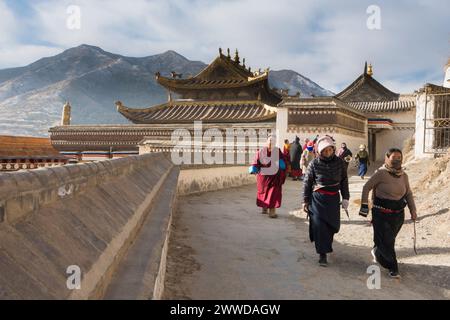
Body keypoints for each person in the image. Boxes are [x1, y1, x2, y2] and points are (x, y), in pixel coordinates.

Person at [359, 148, 417, 279]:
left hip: (398, 215)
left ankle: (377, 251)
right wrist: (364, 205)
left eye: (399, 157)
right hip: (381, 213)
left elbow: (408, 193)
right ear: (387, 157)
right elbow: (366, 187)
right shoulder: (381, 173)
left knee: (387, 240)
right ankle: (393, 267)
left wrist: (413, 210)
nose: (397, 160)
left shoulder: (404, 175)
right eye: (394, 157)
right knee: (388, 241)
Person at [303, 136, 350, 266]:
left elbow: (344, 180)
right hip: (318, 200)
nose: (328, 153)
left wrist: (346, 197)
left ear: (333, 149)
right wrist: (305, 200)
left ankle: (326, 246)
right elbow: (307, 183)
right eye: (325, 150)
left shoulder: (340, 163)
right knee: (319, 226)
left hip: (333, 199)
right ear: (320, 151)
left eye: (330, 150)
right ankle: (322, 254)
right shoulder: (314, 164)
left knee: (332, 226)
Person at [249, 134, 287, 218]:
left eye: (272, 141)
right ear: (266, 142)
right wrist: (254, 167)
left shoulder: (277, 151)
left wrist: (282, 163)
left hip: (274, 178)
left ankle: (272, 212)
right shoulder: (261, 151)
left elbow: (283, 161)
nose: (270, 142)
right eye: (269, 140)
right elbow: (256, 161)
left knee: (273, 193)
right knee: (264, 192)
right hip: (264, 178)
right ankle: (264, 208)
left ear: (275, 142)